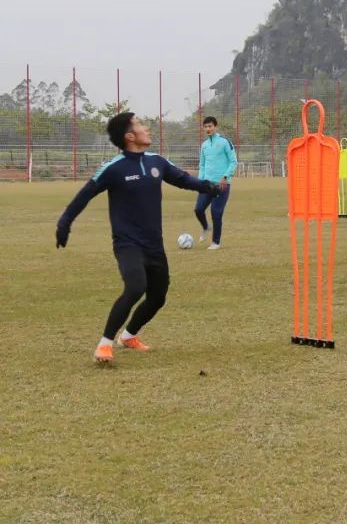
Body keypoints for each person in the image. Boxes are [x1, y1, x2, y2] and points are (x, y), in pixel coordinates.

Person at [56, 112, 220, 363]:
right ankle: (104, 344)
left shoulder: (157, 161)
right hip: (127, 244)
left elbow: (182, 179)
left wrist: (207, 186)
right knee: (135, 287)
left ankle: (129, 336)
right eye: (141, 126)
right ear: (130, 136)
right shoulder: (113, 168)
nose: (147, 129)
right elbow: (84, 195)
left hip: (154, 244)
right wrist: (65, 222)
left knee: (158, 296)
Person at [195, 116, 237, 249]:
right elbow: (202, 165)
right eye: (206, 127)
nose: (208, 129)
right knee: (198, 209)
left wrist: (225, 176)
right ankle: (206, 227)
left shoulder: (225, 142)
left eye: (210, 126)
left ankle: (216, 242)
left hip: (222, 185)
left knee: (216, 212)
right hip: (207, 184)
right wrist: (200, 181)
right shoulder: (204, 145)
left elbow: (233, 161)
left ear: (215, 127)